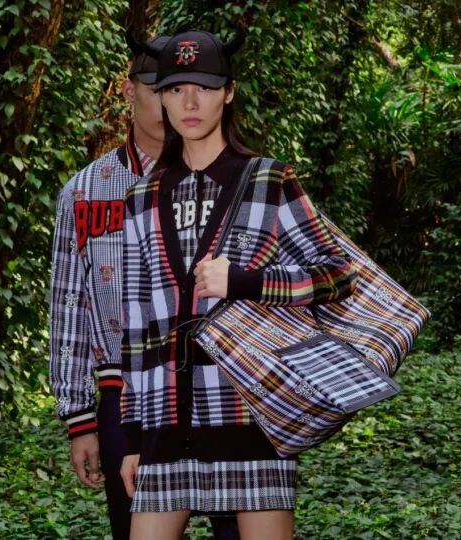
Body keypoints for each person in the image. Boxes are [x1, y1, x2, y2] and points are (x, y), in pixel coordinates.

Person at [119, 30, 357, 540]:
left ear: (228, 93)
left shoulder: (269, 181)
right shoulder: (141, 197)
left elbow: (337, 273)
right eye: (176, 88)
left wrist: (246, 282)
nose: (190, 102)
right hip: (166, 425)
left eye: (204, 87)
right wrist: (133, 436)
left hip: (250, 416)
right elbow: (137, 326)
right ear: (160, 96)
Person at [49, 34, 240, 540]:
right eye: (159, 87)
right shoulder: (84, 192)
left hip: (224, 386)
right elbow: (69, 305)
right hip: (127, 394)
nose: (171, 101)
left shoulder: (235, 180)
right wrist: (79, 418)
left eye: (188, 86)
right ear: (129, 89)